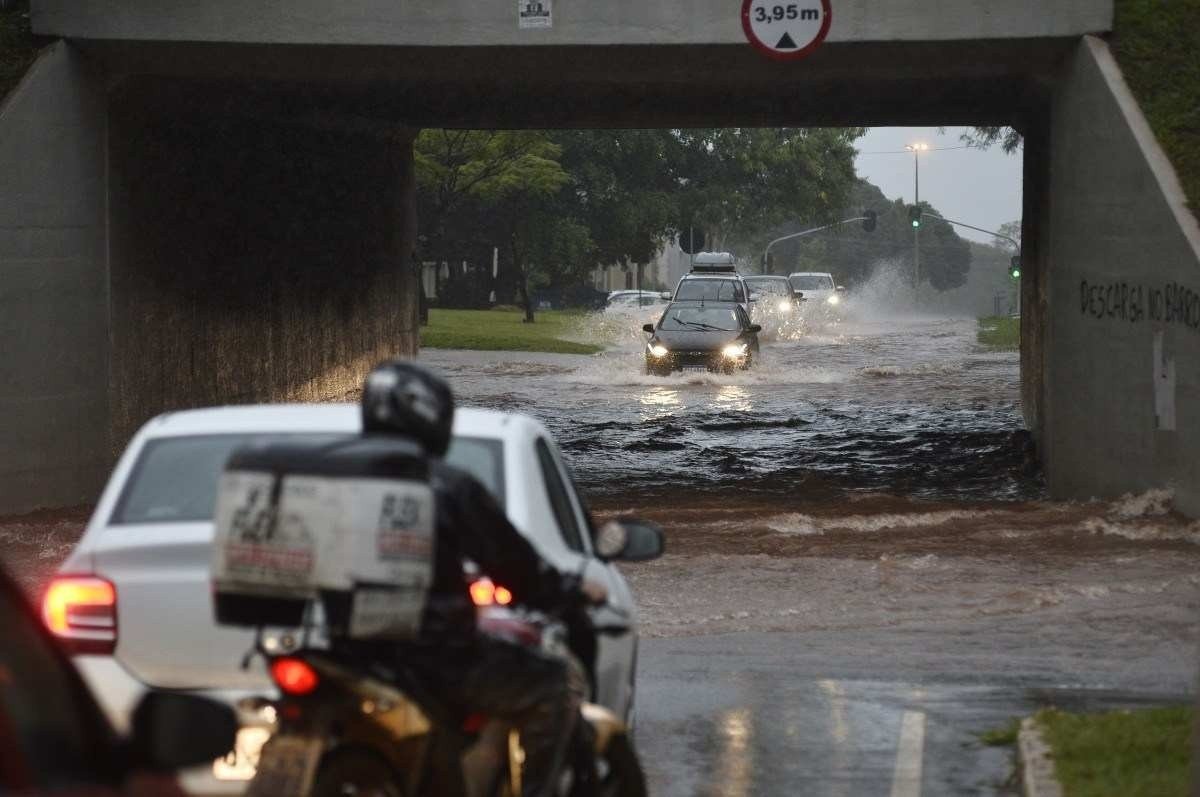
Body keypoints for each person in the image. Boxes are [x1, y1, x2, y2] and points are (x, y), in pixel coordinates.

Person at [359, 360, 603, 797]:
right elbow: (516, 565)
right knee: (551, 686)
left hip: (346, 652)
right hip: (431, 656)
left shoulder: (336, 479)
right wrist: (564, 592)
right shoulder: (448, 487)